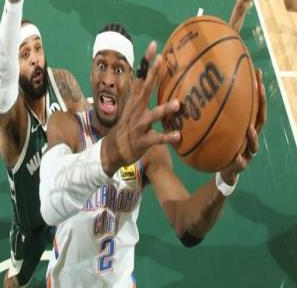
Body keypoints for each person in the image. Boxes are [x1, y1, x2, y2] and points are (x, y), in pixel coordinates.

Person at [39, 23, 267, 286]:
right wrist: (112, 152)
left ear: (130, 81)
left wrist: (225, 179)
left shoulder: (148, 148)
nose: (108, 79)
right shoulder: (66, 125)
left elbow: (186, 225)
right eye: (101, 65)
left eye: (119, 69)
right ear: (91, 72)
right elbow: (49, 201)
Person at [0, 0, 89, 288]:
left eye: (37, 48)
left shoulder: (62, 83)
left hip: (67, 208)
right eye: (24, 54)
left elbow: (89, 135)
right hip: (31, 225)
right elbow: (3, 78)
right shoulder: (14, 122)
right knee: (15, 281)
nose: (34, 59)